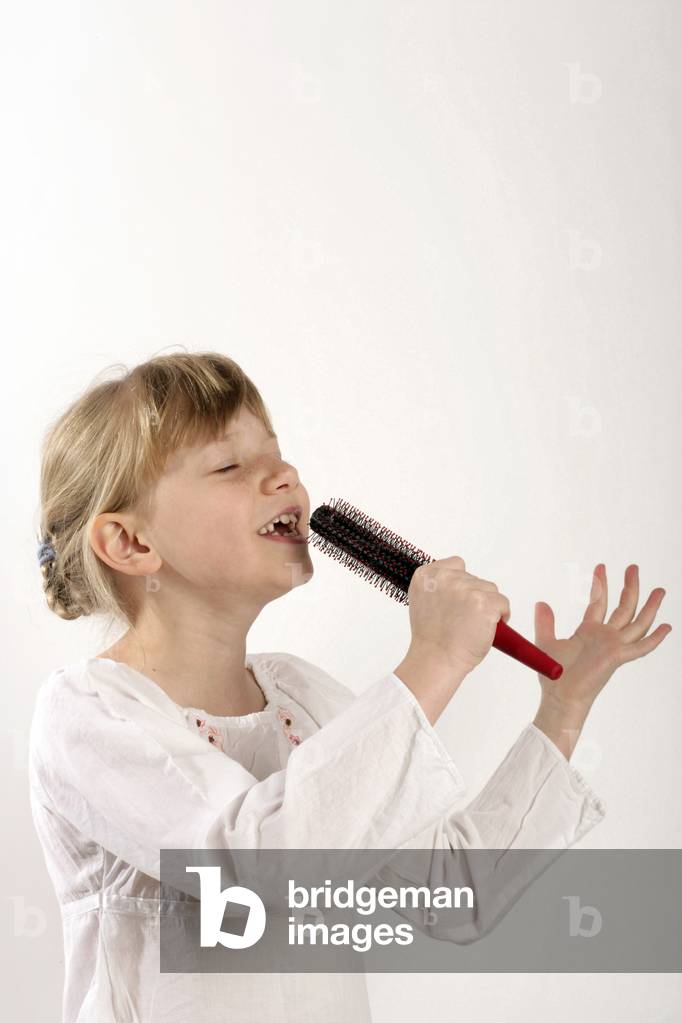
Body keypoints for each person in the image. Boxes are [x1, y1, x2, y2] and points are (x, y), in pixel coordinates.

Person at [29, 350, 670, 1022]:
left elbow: (456, 891)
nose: (285, 475)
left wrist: (564, 707)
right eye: (229, 465)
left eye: (276, 454)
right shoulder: (90, 714)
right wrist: (436, 658)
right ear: (130, 543)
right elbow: (259, 862)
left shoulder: (298, 697)